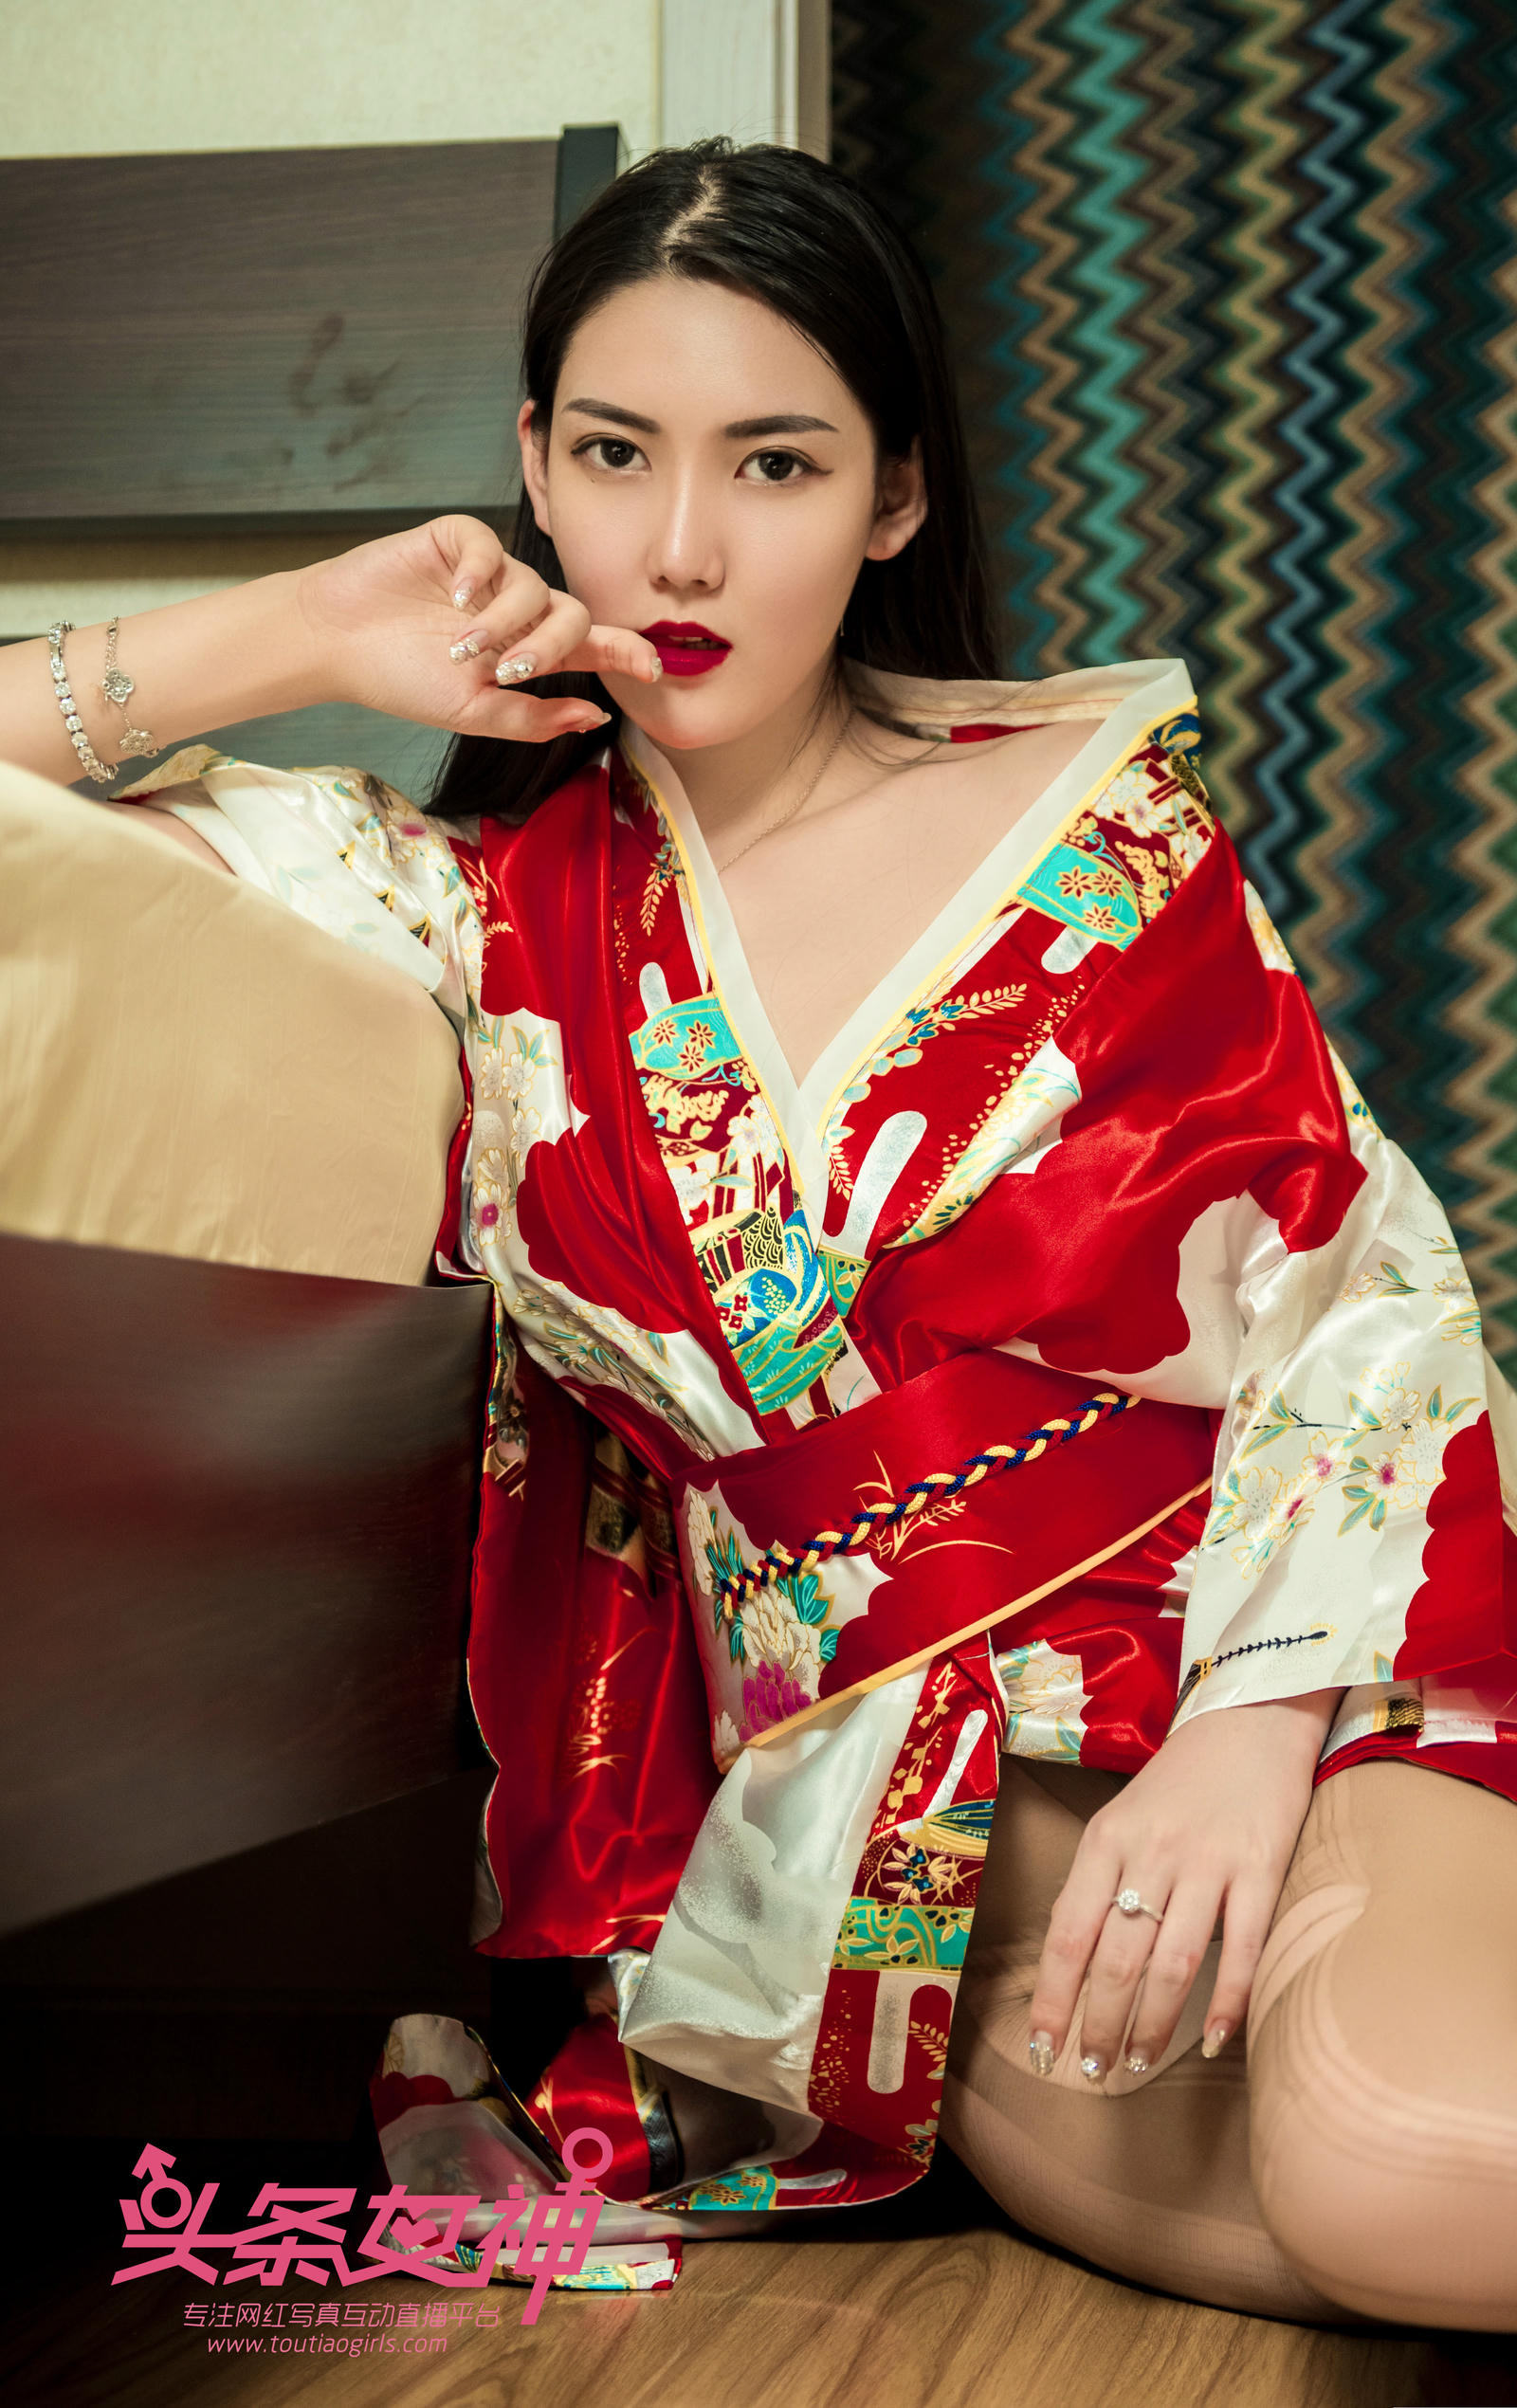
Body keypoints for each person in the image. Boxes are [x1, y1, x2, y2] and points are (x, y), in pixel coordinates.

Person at [5, 137, 1514, 2328]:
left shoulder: (1088, 833)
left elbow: (1353, 1297)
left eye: (775, 463)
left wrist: (1246, 1734)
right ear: (533, 462)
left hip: (1304, 1678)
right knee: (1373, 2207)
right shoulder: (472, 917)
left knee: (1396, 2151)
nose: (682, 544)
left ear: (892, 497)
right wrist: (302, 626)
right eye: (615, 454)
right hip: (899, 1849)